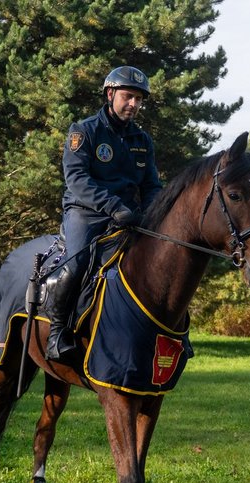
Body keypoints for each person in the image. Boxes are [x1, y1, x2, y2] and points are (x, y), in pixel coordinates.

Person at [46, 66, 163, 361]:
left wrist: (151, 215)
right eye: (128, 97)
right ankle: (57, 333)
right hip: (86, 212)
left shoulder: (142, 140)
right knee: (76, 264)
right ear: (110, 94)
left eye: (138, 99)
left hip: (129, 216)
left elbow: (151, 184)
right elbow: (77, 179)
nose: (133, 104)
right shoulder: (83, 131)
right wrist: (113, 207)